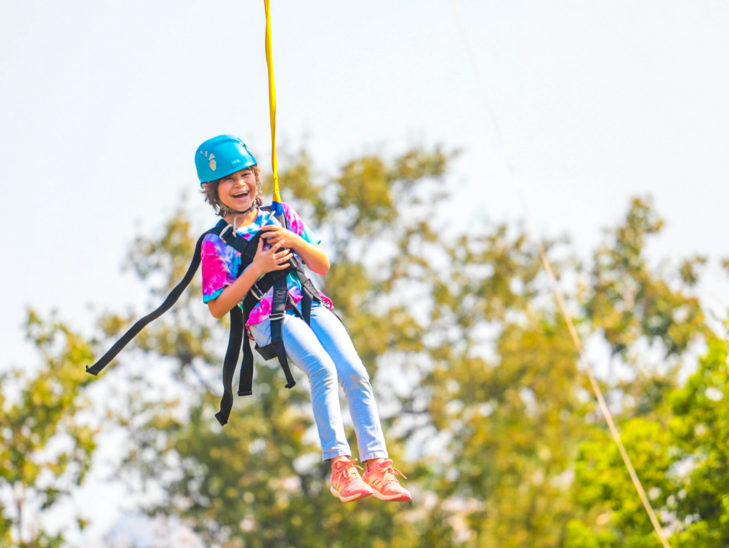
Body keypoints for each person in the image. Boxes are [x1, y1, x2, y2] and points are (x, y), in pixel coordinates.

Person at [196, 134, 411, 503]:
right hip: (266, 315)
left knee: (354, 370)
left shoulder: (280, 215)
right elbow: (218, 306)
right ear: (212, 191)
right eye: (228, 180)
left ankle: (377, 464)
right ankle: (341, 467)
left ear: (256, 177)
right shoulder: (215, 243)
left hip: (307, 301)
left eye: (245, 175)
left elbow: (321, 263)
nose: (239, 185)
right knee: (322, 369)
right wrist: (257, 268)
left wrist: (291, 240)